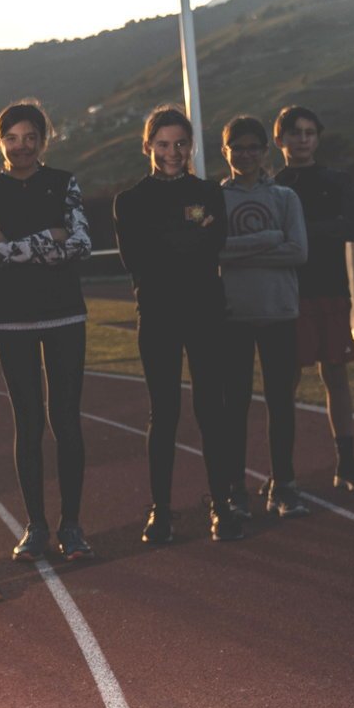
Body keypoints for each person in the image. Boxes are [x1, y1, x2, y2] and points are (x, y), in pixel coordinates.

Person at [0, 99, 96, 563]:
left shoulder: (64, 184)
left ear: (43, 140)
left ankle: (72, 525)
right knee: (28, 422)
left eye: (30, 138)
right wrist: (50, 238)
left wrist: (16, 242)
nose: (21, 146)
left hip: (66, 313)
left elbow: (82, 242)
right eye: (12, 138)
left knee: (66, 419)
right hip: (13, 319)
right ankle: (37, 525)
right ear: (0, 141)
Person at [113, 107, 242, 544]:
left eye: (181, 144)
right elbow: (138, 260)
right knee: (163, 412)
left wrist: (171, 241)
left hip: (205, 313)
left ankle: (222, 505)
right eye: (164, 144)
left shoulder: (210, 192)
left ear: (191, 146)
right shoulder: (129, 201)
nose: (173, 152)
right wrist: (187, 238)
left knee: (212, 409)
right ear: (148, 145)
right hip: (158, 315)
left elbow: (214, 245)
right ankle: (161, 511)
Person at [273, 105, 354, 491]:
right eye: (295, 133)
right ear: (279, 139)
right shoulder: (274, 187)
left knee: (337, 375)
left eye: (310, 133)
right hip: (290, 296)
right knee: (287, 383)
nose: (303, 139)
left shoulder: (337, 180)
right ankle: (283, 472)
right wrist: (321, 229)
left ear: (318, 137)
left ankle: (346, 462)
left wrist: (299, 231)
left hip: (331, 292)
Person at [216, 117, 310, 519]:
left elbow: (298, 252)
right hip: (233, 315)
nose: (246, 154)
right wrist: (269, 238)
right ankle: (236, 487)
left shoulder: (286, 197)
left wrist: (239, 250)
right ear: (226, 152)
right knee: (234, 405)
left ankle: (283, 484)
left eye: (253, 147)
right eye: (237, 147)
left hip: (279, 312)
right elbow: (211, 251)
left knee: (281, 403)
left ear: (264, 151)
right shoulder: (215, 198)